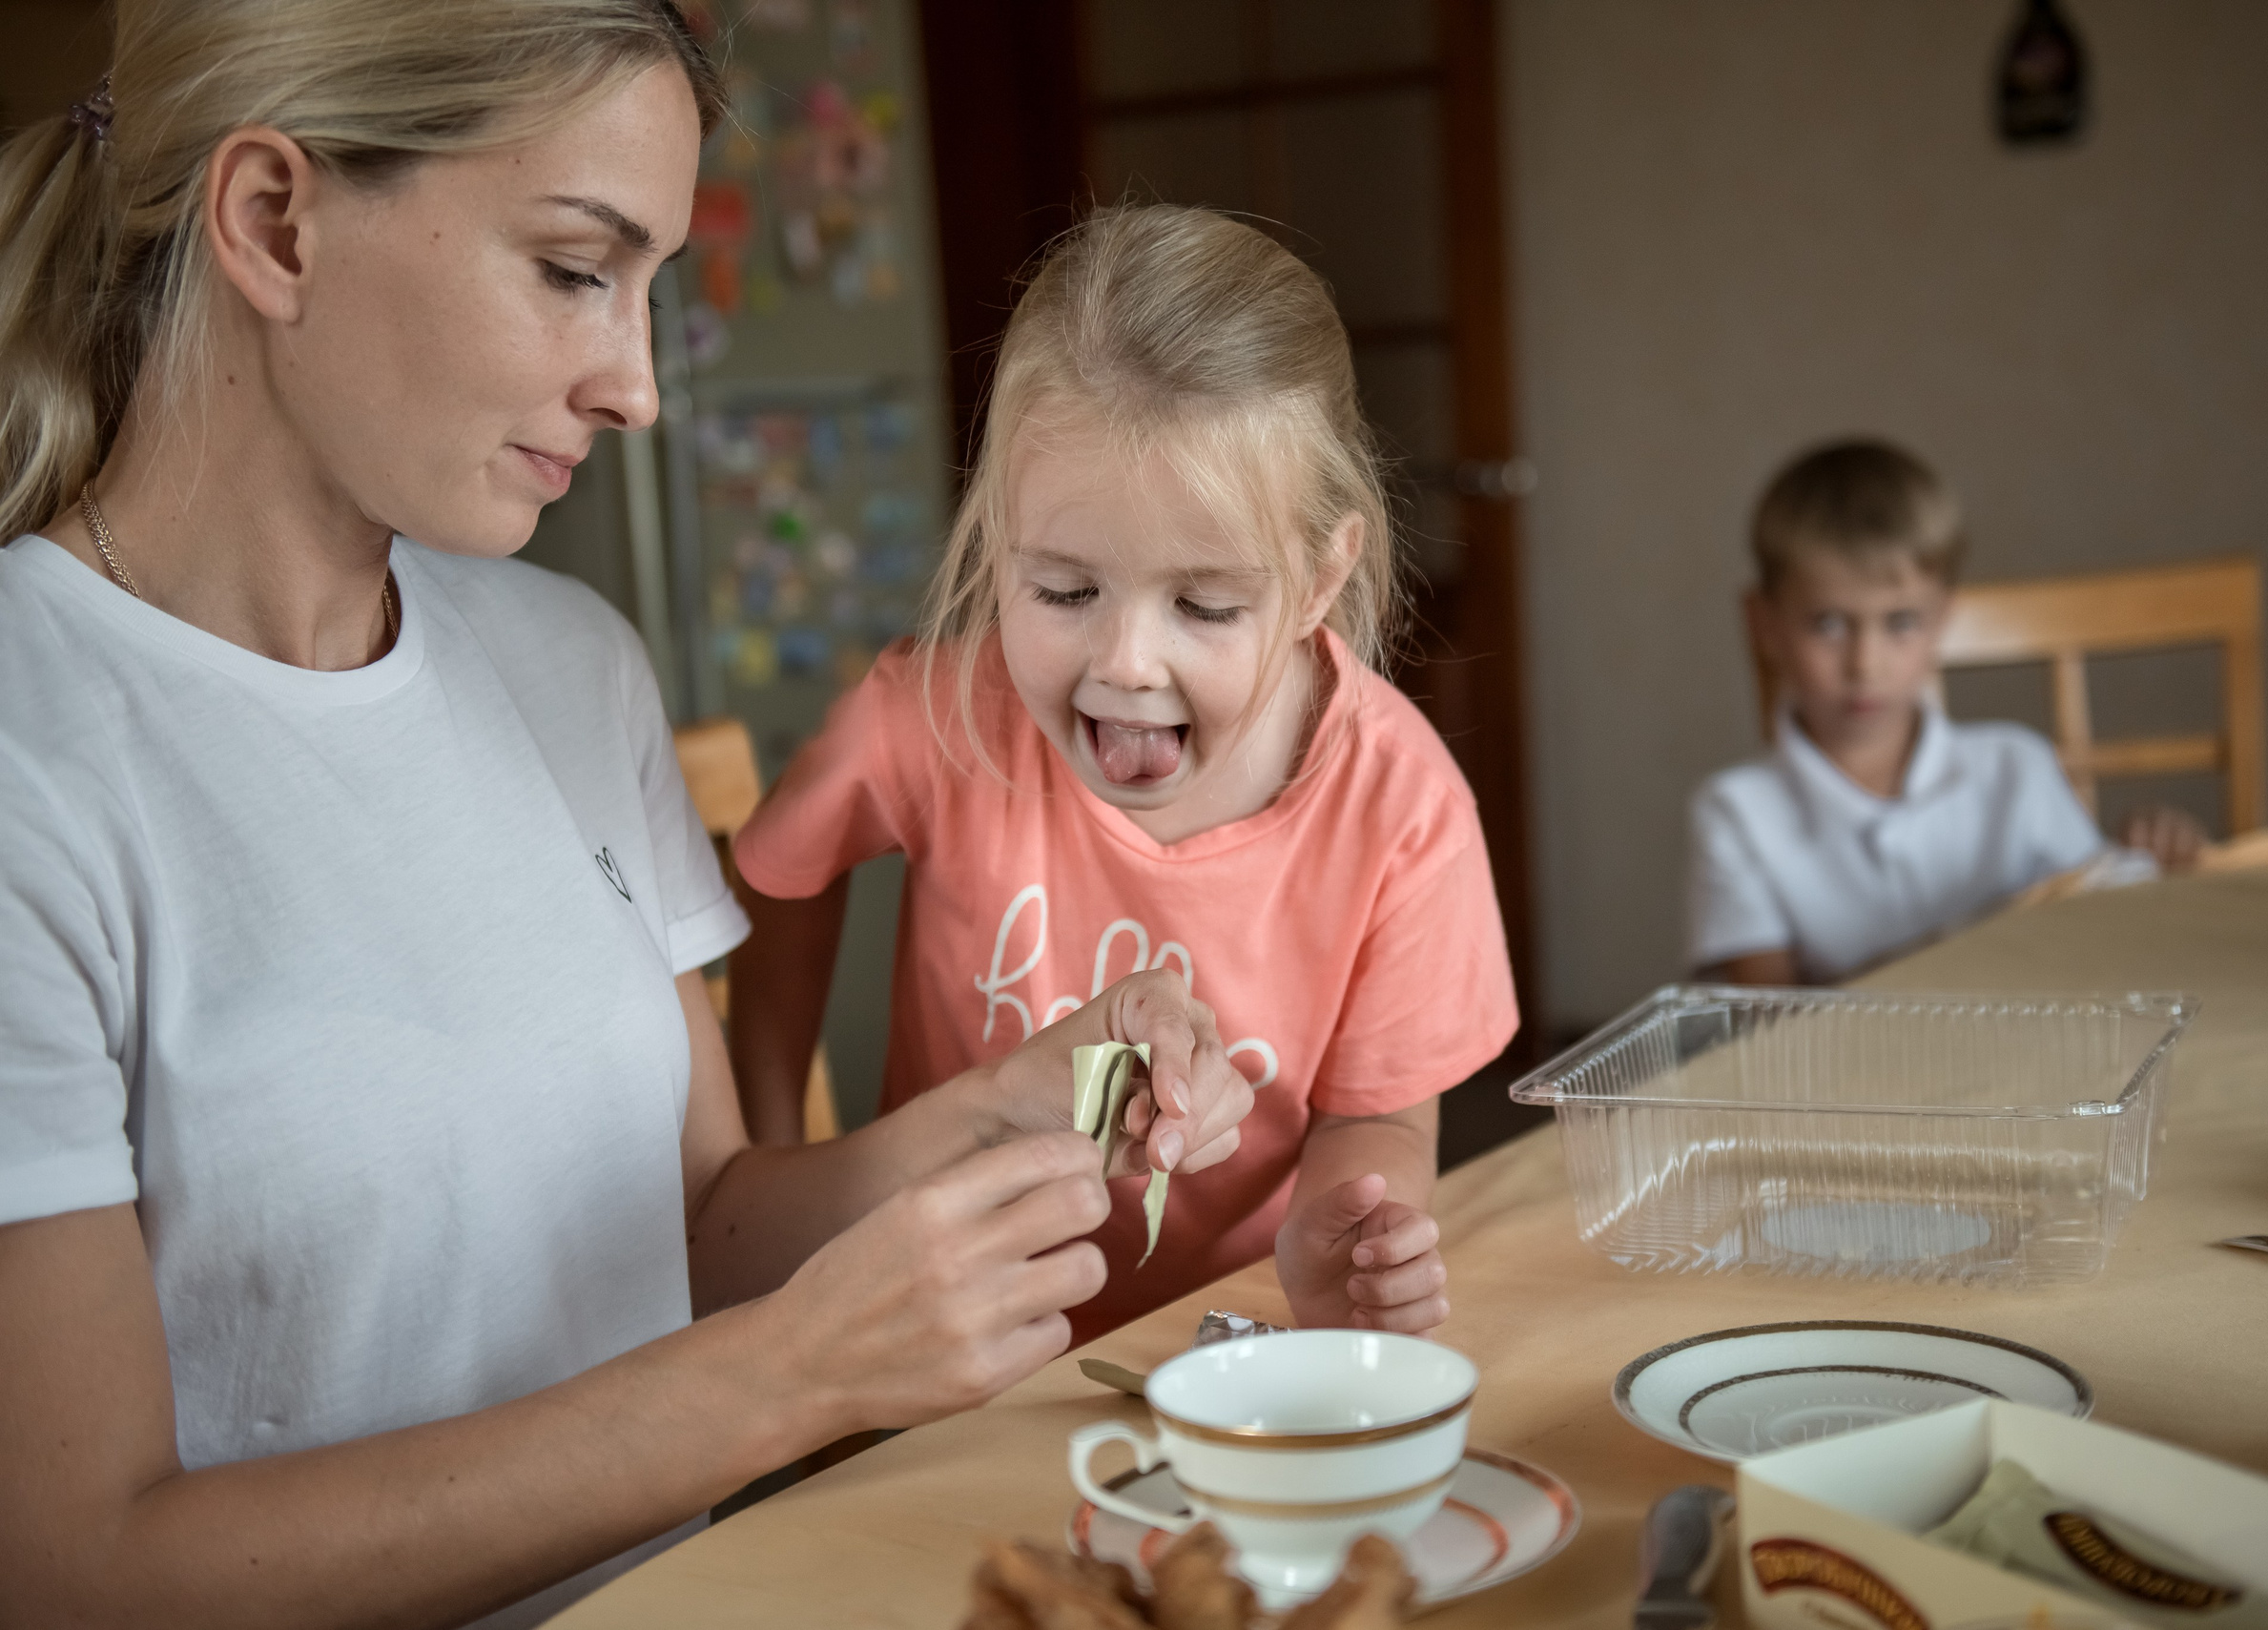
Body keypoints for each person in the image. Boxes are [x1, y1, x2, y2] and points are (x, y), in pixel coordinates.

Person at [0, 8, 1251, 1627]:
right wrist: (787, 1378)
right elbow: (79, 1568)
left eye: (649, 283)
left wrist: (1013, 1106)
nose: (639, 387)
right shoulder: (39, 748)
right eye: (575, 268)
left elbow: (698, 1226)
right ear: (274, 222)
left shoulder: (571, 665)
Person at [727, 205, 1519, 1345]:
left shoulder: (1401, 807)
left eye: (1205, 604)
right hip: (946, 1343)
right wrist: (768, 1162)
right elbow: (779, 872)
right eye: (1063, 591)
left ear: (1317, 576)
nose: (1126, 662)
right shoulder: (928, 717)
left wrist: (1343, 1234)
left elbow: (1381, 1116)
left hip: (1233, 1349)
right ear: (997, 536)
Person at [1688, 439, 2206, 986]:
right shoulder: (1733, 814)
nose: (1865, 664)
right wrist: (1977, 941)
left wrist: (2153, 866)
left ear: (1943, 619)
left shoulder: (2018, 766)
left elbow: (2103, 941)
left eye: (1901, 622)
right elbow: (1768, 1019)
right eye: (1829, 624)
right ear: (1763, 623)